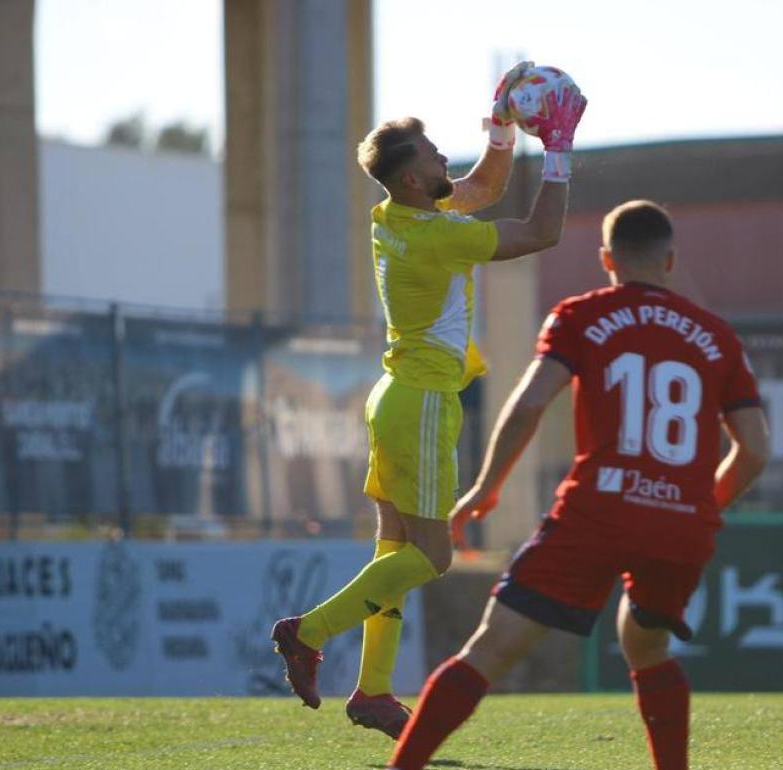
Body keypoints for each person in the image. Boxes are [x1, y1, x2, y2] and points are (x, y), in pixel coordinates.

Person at [386, 200, 770, 770]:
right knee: (648, 646)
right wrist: (697, 507)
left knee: (490, 648)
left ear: (606, 259)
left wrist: (486, 487)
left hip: (599, 510)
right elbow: (756, 450)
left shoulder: (581, 316)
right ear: (670, 260)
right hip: (682, 525)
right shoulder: (716, 335)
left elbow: (529, 405)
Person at [270, 63, 589, 739]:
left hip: (396, 397)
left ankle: (374, 692)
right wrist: (556, 147)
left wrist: (502, 128)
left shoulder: (399, 214)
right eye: (434, 153)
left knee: (394, 554)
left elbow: (480, 186)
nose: (447, 157)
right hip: (420, 404)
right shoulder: (436, 236)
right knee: (434, 559)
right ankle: (308, 632)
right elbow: (541, 233)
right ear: (415, 178)